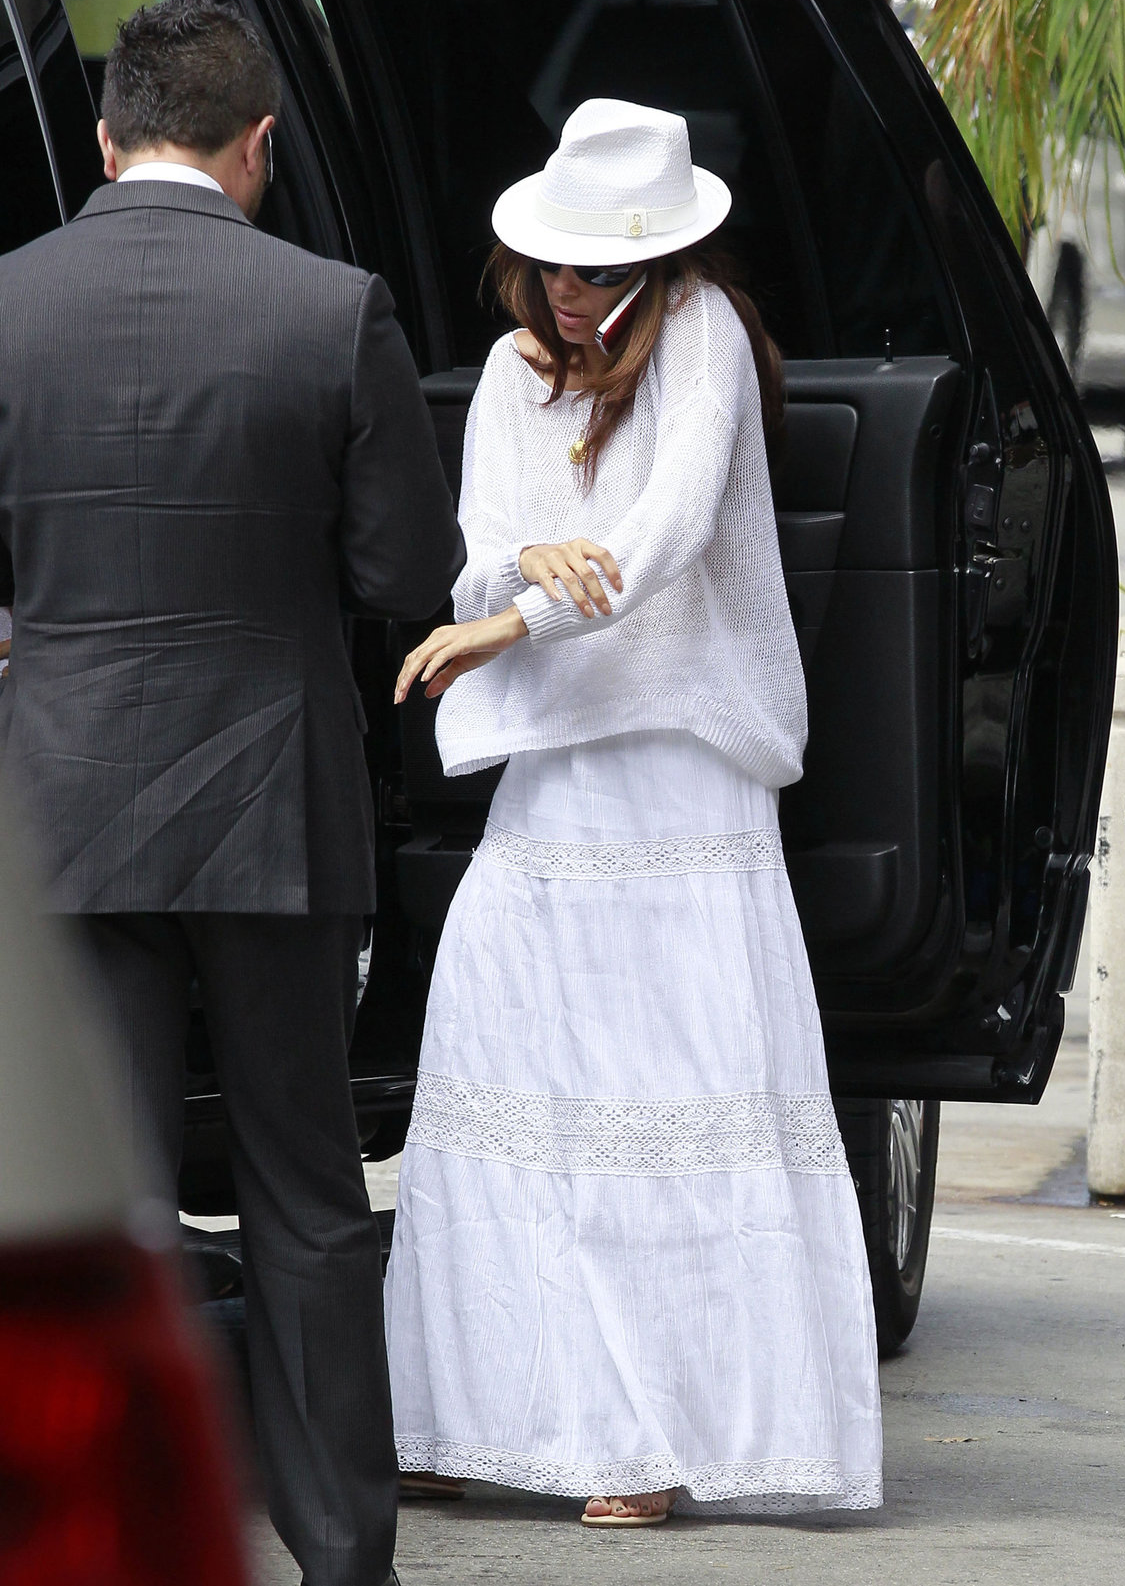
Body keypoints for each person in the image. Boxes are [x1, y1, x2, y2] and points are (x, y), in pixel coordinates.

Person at [0, 0, 463, 1586]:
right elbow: (407, 572)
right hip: (274, 805)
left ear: (106, 139)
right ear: (259, 143)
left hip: (63, 808)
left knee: (93, 1211)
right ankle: (341, 1556)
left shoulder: (8, 303)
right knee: (305, 1193)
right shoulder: (333, 309)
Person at [384, 98, 882, 1524]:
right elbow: (482, 547)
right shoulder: (508, 370)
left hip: (680, 751)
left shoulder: (706, 336)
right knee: (507, 1061)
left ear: (659, 265)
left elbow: (661, 536)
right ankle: (489, 1415)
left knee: (666, 1088)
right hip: (558, 754)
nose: (568, 288)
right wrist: (513, 578)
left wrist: (516, 617)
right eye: (556, 261)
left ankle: (656, 1441)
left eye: (598, 268)